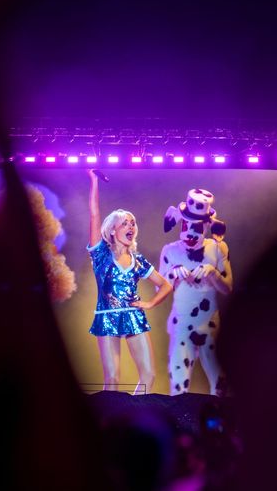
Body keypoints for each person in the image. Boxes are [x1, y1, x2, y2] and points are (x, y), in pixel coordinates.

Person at [87, 169, 172, 394]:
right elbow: (95, 215)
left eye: (133, 223)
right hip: (107, 316)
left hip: (134, 316)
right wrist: (94, 182)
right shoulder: (101, 255)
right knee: (113, 379)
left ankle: (134, 414)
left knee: (149, 375)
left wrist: (150, 304)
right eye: (125, 223)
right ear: (113, 230)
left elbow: (166, 285)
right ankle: (110, 423)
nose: (131, 227)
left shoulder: (138, 260)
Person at [159, 189, 232, 396]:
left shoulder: (218, 249)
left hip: (210, 323)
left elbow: (228, 287)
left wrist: (212, 272)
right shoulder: (170, 251)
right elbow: (159, 289)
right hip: (181, 324)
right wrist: (173, 274)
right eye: (186, 225)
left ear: (208, 226)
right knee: (178, 385)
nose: (190, 233)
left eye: (197, 227)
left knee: (220, 385)